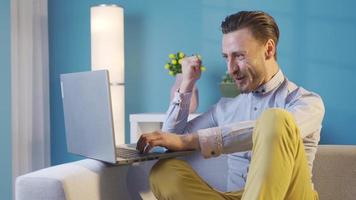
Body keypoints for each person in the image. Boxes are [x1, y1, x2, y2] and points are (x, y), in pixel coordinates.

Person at [137, 10, 324, 200]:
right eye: (226, 57)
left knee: (276, 119)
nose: (231, 69)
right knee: (164, 172)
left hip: (290, 196)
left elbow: (265, 129)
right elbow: (172, 140)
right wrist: (187, 83)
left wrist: (190, 141)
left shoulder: (306, 102)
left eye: (239, 56)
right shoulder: (225, 108)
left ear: (269, 49)